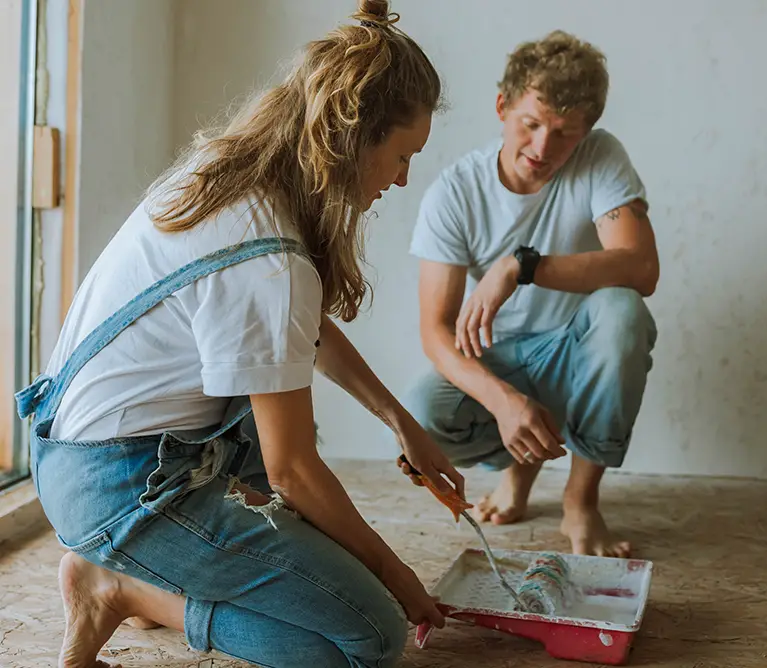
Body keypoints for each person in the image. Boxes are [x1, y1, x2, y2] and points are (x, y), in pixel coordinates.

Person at [16, 3, 465, 667]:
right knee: (368, 637)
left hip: (86, 450)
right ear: (353, 141)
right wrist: (398, 578)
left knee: (300, 479)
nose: (401, 179)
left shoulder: (233, 178)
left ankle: (148, 572)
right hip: (123, 488)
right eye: (401, 156)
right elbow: (291, 468)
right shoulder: (271, 259)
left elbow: (296, 332)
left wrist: (402, 424)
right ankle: (123, 586)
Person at [401, 30, 659, 558]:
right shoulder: (455, 193)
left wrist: (523, 267)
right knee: (426, 409)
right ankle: (519, 472)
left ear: (586, 132)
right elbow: (435, 331)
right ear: (502, 106)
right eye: (531, 124)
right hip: (505, 359)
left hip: (575, 351)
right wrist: (503, 400)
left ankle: (580, 502)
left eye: (564, 134)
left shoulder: (601, 156)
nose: (543, 148)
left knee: (622, 310)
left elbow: (641, 269)